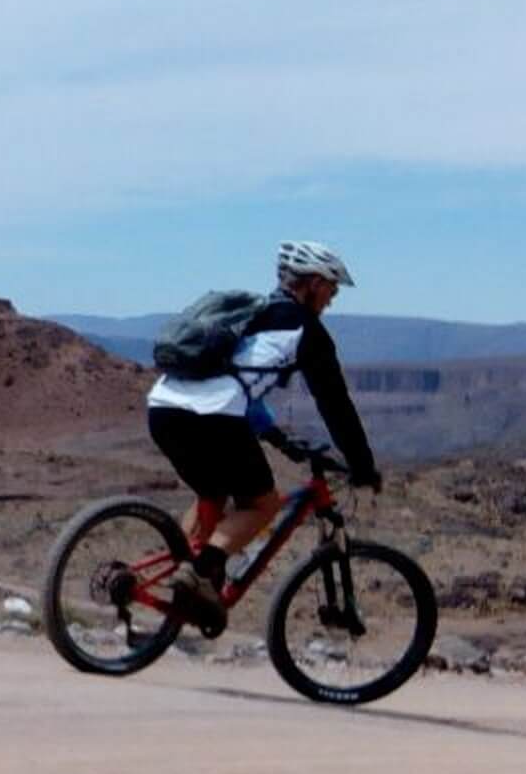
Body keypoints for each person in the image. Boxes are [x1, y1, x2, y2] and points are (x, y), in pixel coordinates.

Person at [147, 239, 380, 634]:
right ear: (310, 283)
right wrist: (362, 464)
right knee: (263, 504)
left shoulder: (249, 314)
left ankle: (166, 579)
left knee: (213, 495)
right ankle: (201, 572)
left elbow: (238, 380)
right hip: (213, 417)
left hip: (163, 407)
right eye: (331, 286)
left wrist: (276, 437)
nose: (333, 296)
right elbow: (336, 406)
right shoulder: (308, 332)